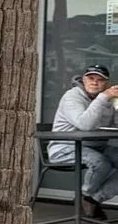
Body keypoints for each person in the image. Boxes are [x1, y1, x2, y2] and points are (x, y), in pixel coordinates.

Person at [49, 61, 118, 215]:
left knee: (101, 159)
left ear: (106, 83)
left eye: (100, 79)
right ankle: (86, 198)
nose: (94, 82)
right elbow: (84, 124)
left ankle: (92, 199)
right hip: (65, 146)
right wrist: (103, 97)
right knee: (100, 163)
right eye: (90, 78)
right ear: (83, 80)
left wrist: (116, 103)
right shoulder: (72, 96)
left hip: (96, 146)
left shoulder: (107, 98)